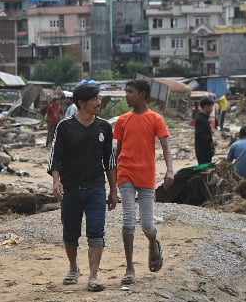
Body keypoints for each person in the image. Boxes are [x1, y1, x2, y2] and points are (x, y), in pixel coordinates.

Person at [49, 82, 116, 291]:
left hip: (96, 187)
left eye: (99, 98)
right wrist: (56, 180)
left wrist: (113, 190)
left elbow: (110, 161)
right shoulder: (65, 126)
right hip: (71, 188)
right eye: (95, 99)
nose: (99, 102)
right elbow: (55, 157)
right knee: (70, 233)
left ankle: (94, 276)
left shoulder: (104, 127)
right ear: (81, 102)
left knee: (96, 231)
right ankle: (73, 267)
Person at [111, 79, 173, 290]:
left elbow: (165, 147)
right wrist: (111, 179)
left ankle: (152, 242)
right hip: (125, 174)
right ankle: (129, 268)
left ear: (143, 95)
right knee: (128, 221)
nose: (126, 95)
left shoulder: (155, 118)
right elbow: (117, 150)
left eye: (130, 92)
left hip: (147, 177)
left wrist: (170, 171)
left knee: (147, 225)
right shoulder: (122, 120)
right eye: (126, 91)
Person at [192, 96, 216, 165]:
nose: (212, 109)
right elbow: (202, 137)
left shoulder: (204, 118)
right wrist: (211, 143)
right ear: (205, 106)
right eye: (211, 107)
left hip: (206, 151)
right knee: (204, 171)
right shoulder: (201, 119)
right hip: (203, 152)